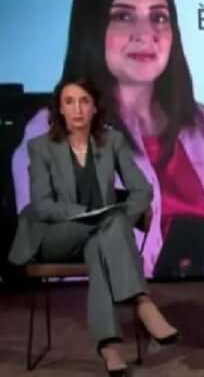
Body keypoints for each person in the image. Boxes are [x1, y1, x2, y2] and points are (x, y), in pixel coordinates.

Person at [11, 0, 204, 277]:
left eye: (159, 17)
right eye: (123, 16)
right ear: (91, 29)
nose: (146, 33)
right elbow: (58, 252)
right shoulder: (52, 131)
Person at [8, 79, 178, 377]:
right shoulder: (41, 147)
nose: (77, 109)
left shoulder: (112, 142)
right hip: (55, 236)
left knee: (101, 244)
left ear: (95, 108)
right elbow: (43, 205)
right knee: (109, 224)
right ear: (60, 109)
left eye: (84, 101)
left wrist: (121, 220)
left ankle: (109, 348)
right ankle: (142, 302)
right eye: (69, 101)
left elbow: (142, 190)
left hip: (99, 237)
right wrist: (94, 215)